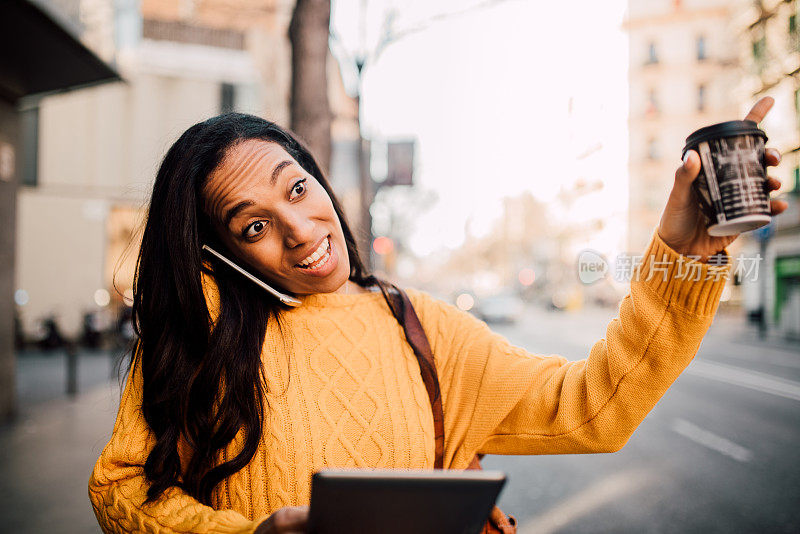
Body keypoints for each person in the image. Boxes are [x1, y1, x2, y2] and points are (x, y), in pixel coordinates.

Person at [89, 98, 786, 534]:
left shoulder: (420, 327)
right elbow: (119, 490)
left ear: (319, 178)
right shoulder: (197, 340)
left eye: (298, 188)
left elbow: (598, 406)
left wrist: (682, 255)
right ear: (219, 253)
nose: (300, 229)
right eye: (253, 227)